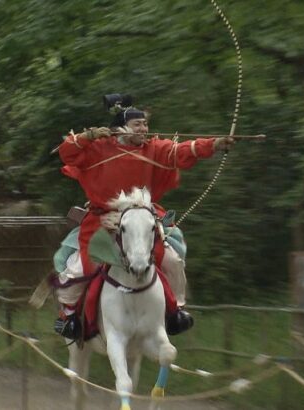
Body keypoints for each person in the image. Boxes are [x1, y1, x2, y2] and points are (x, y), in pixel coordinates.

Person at [52, 94, 234, 339]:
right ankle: (70, 316)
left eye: (145, 124)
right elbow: (67, 154)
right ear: (122, 127)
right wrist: (87, 137)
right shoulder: (98, 147)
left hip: (143, 217)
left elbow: (181, 151)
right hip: (102, 219)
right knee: (81, 269)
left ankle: (175, 311)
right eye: (138, 125)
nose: (144, 129)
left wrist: (214, 144)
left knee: (171, 260)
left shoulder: (154, 148)